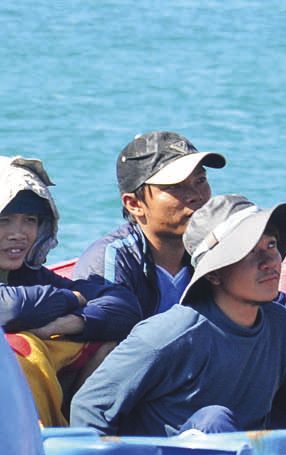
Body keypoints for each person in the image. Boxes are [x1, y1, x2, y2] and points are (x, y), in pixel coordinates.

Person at [70, 194, 286, 436]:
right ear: (214, 274)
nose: (269, 261)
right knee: (214, 422)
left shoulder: (281, 324)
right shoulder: (168, 336)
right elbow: (89, 406)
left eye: (271, 245)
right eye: (248, 251)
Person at [2, 157, 140, 421]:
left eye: (29, 220)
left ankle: (74, 431)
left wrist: (63, 325)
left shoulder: (31, 277)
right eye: (4, 220)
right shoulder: (45, 289)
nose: (18, 233)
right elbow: (10, 306)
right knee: (22, 345)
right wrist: (71, 298)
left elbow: (124, 306)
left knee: (112, 345)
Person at [76, 131, 226, 320]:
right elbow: (105, 321)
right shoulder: (112, 257)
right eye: (174, 186)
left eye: (200, 180)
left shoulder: (214, 251)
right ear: (134, 204)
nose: (195, 195)